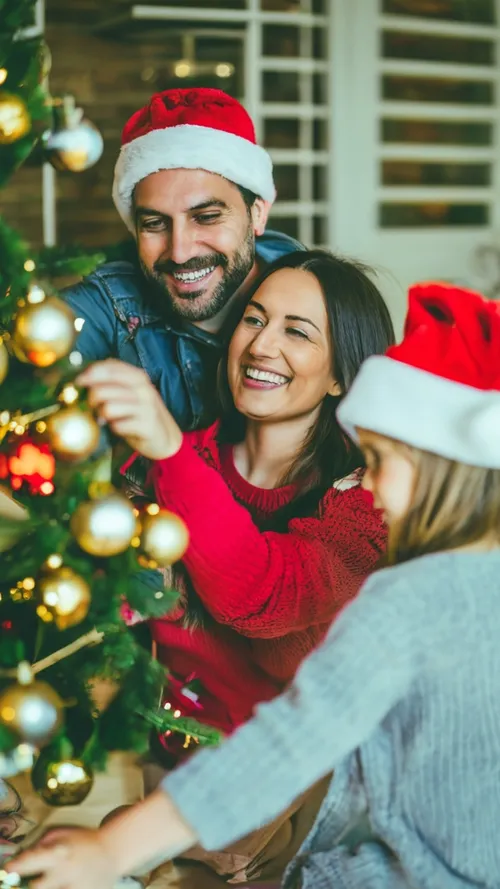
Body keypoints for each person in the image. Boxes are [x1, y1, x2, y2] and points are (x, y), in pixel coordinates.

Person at [12, 280, 500, 889]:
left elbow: (288, 741)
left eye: (378, 461)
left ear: (439, 468)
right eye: (255, 319)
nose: (366, 484)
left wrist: (111, 853)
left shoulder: (404, 600)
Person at [63, 87, 303, 438]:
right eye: (155, 224)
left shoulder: (327, 302)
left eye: (206, 217)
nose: (179, 252)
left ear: (257, 213)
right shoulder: (111, 304)